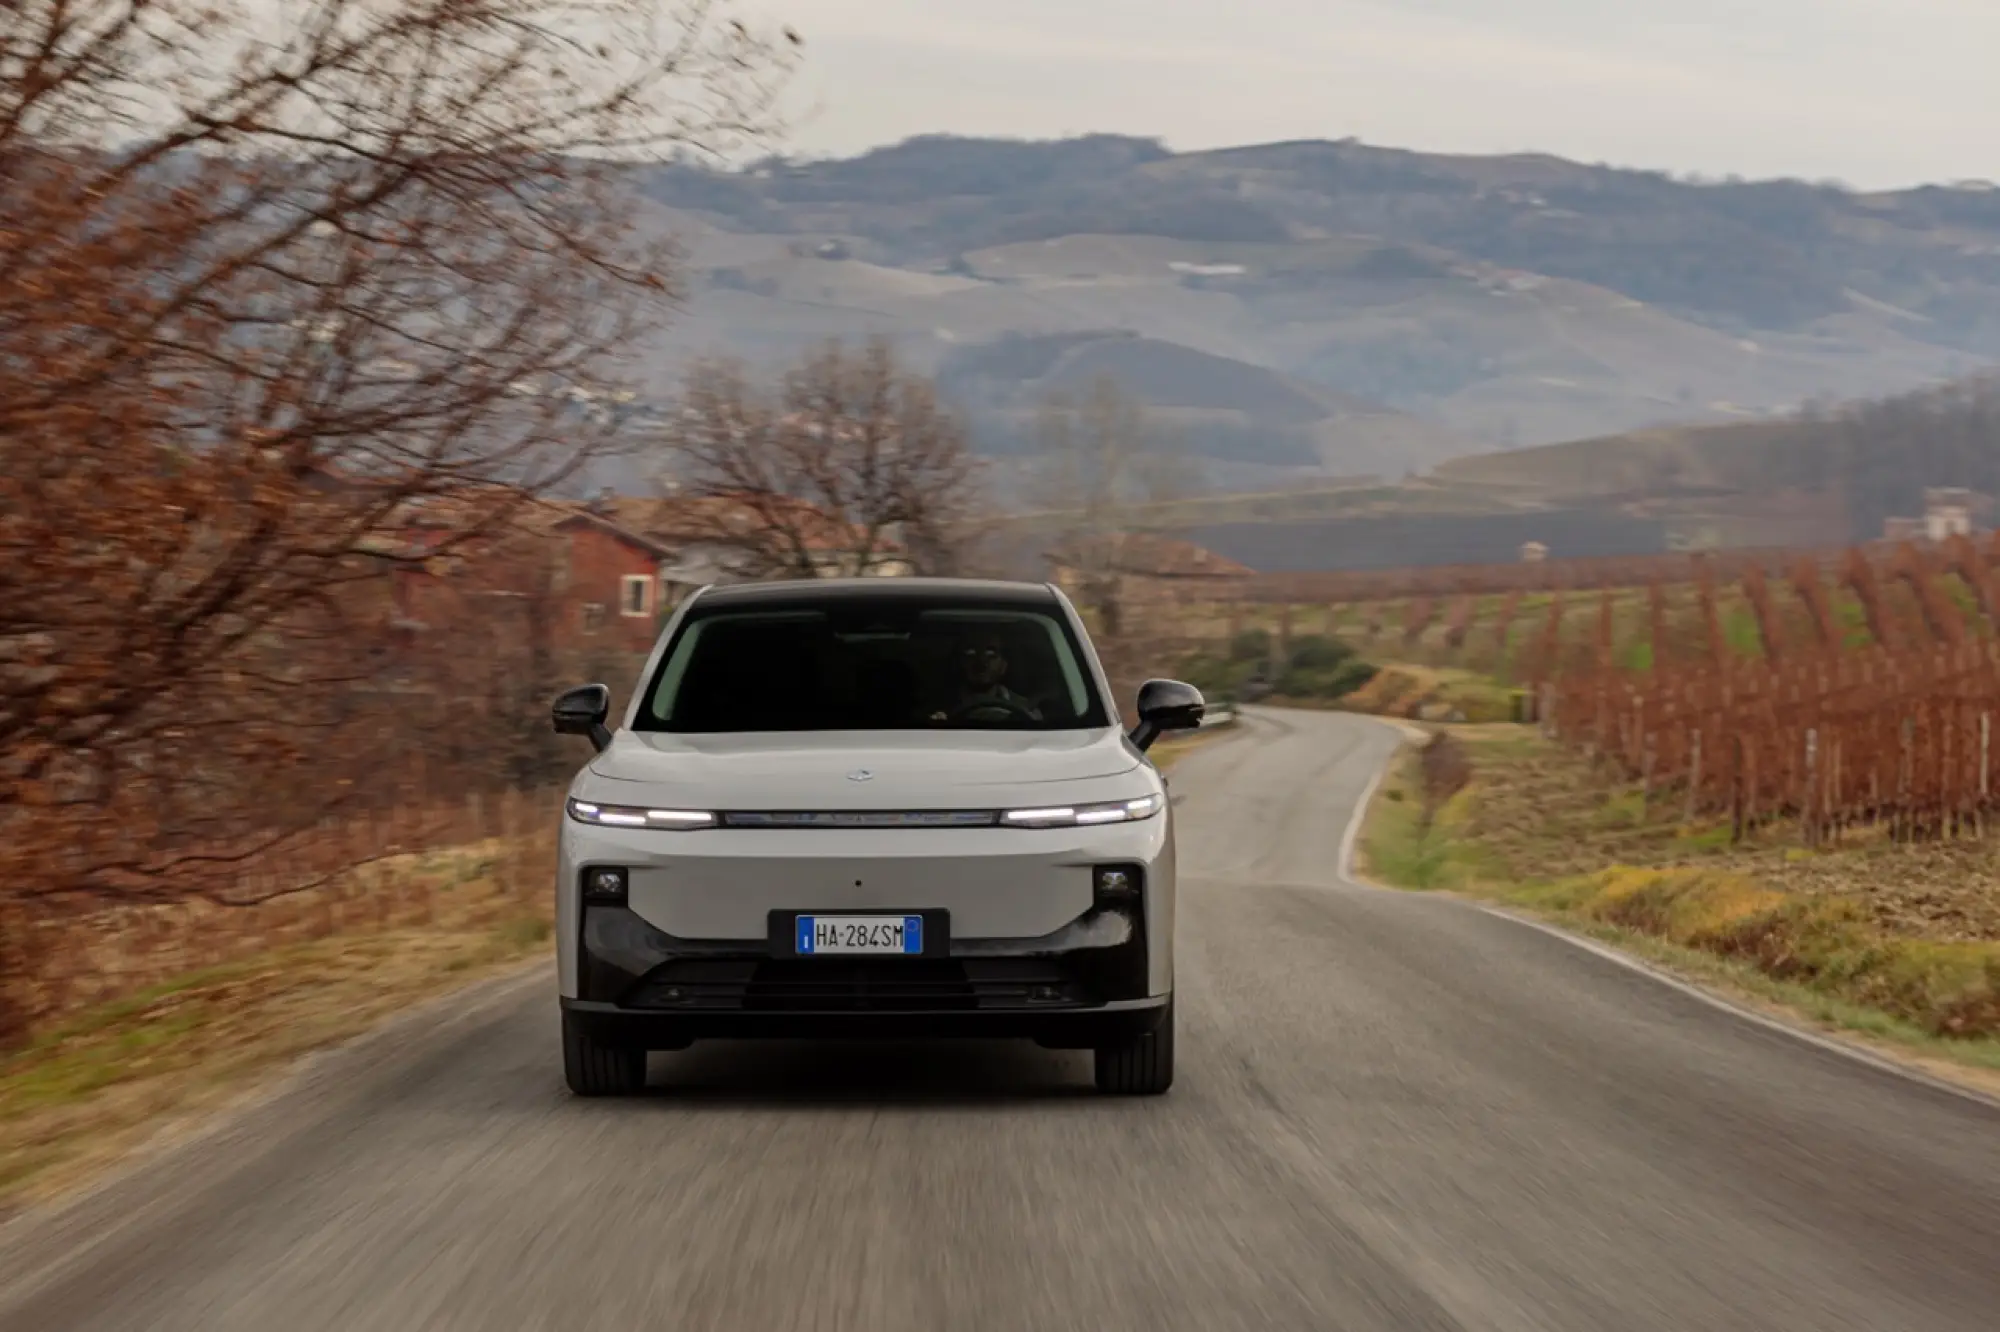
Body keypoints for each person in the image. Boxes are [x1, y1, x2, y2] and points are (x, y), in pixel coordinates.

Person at [934, 630, 1043, 722]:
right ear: (959, 662)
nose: (981, 662)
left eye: (991, 654)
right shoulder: (940, 706)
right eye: (971, 653)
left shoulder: (1025, 708)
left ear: (1003, 665)